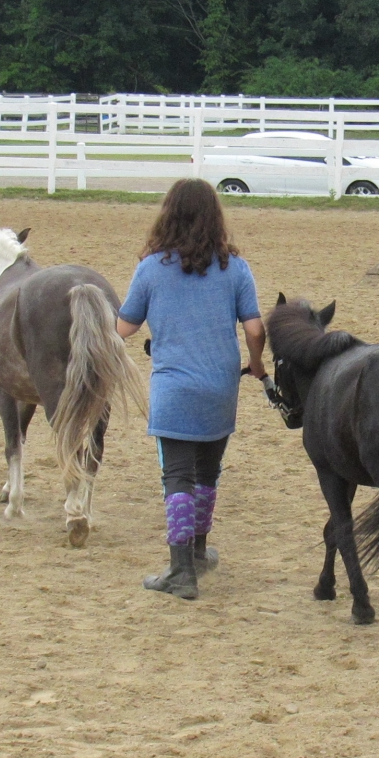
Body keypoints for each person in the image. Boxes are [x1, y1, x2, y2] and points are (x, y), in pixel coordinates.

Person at [117, 178, 266, 600]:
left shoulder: (151, 268)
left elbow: (123, 327)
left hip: (174, 388)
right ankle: (199, 553)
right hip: (221, 385)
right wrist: (255, 365)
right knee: (207, 473)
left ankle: (181, 571)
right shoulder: (235, 268)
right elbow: (255, 328)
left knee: (177, 475)